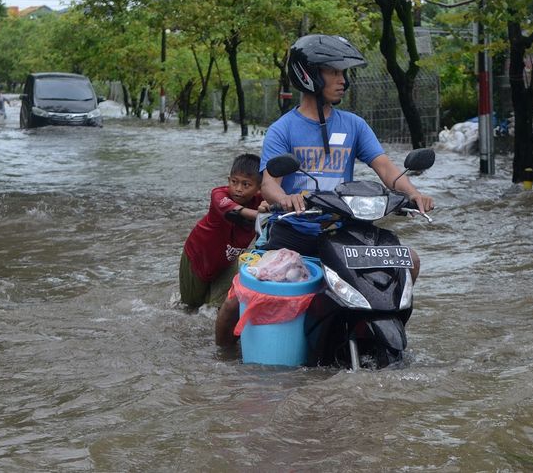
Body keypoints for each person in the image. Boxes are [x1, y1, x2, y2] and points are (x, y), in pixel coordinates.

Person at [215, 34, 434, 346]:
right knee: (234, 303)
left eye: (343, 73)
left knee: (408, 260)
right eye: (333, 72)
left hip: (345, 232)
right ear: (310, 74)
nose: (342, 80)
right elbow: (269, 184)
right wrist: (285, 199)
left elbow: (385, 167)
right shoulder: (283, 129)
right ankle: (224, 361)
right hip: (292, 231)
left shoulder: (355, 125)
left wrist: (413, 193)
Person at [180, 153, 269, 309]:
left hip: (229, 260)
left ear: (258, 189)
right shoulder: (219, 194)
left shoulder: (262, 202)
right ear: (228, 180)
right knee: (190, 306)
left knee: (214, 308)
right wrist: (263, 216)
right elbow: (235, 211)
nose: (238, 189)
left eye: (246, 184)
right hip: (199, 257)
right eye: (234, 182)